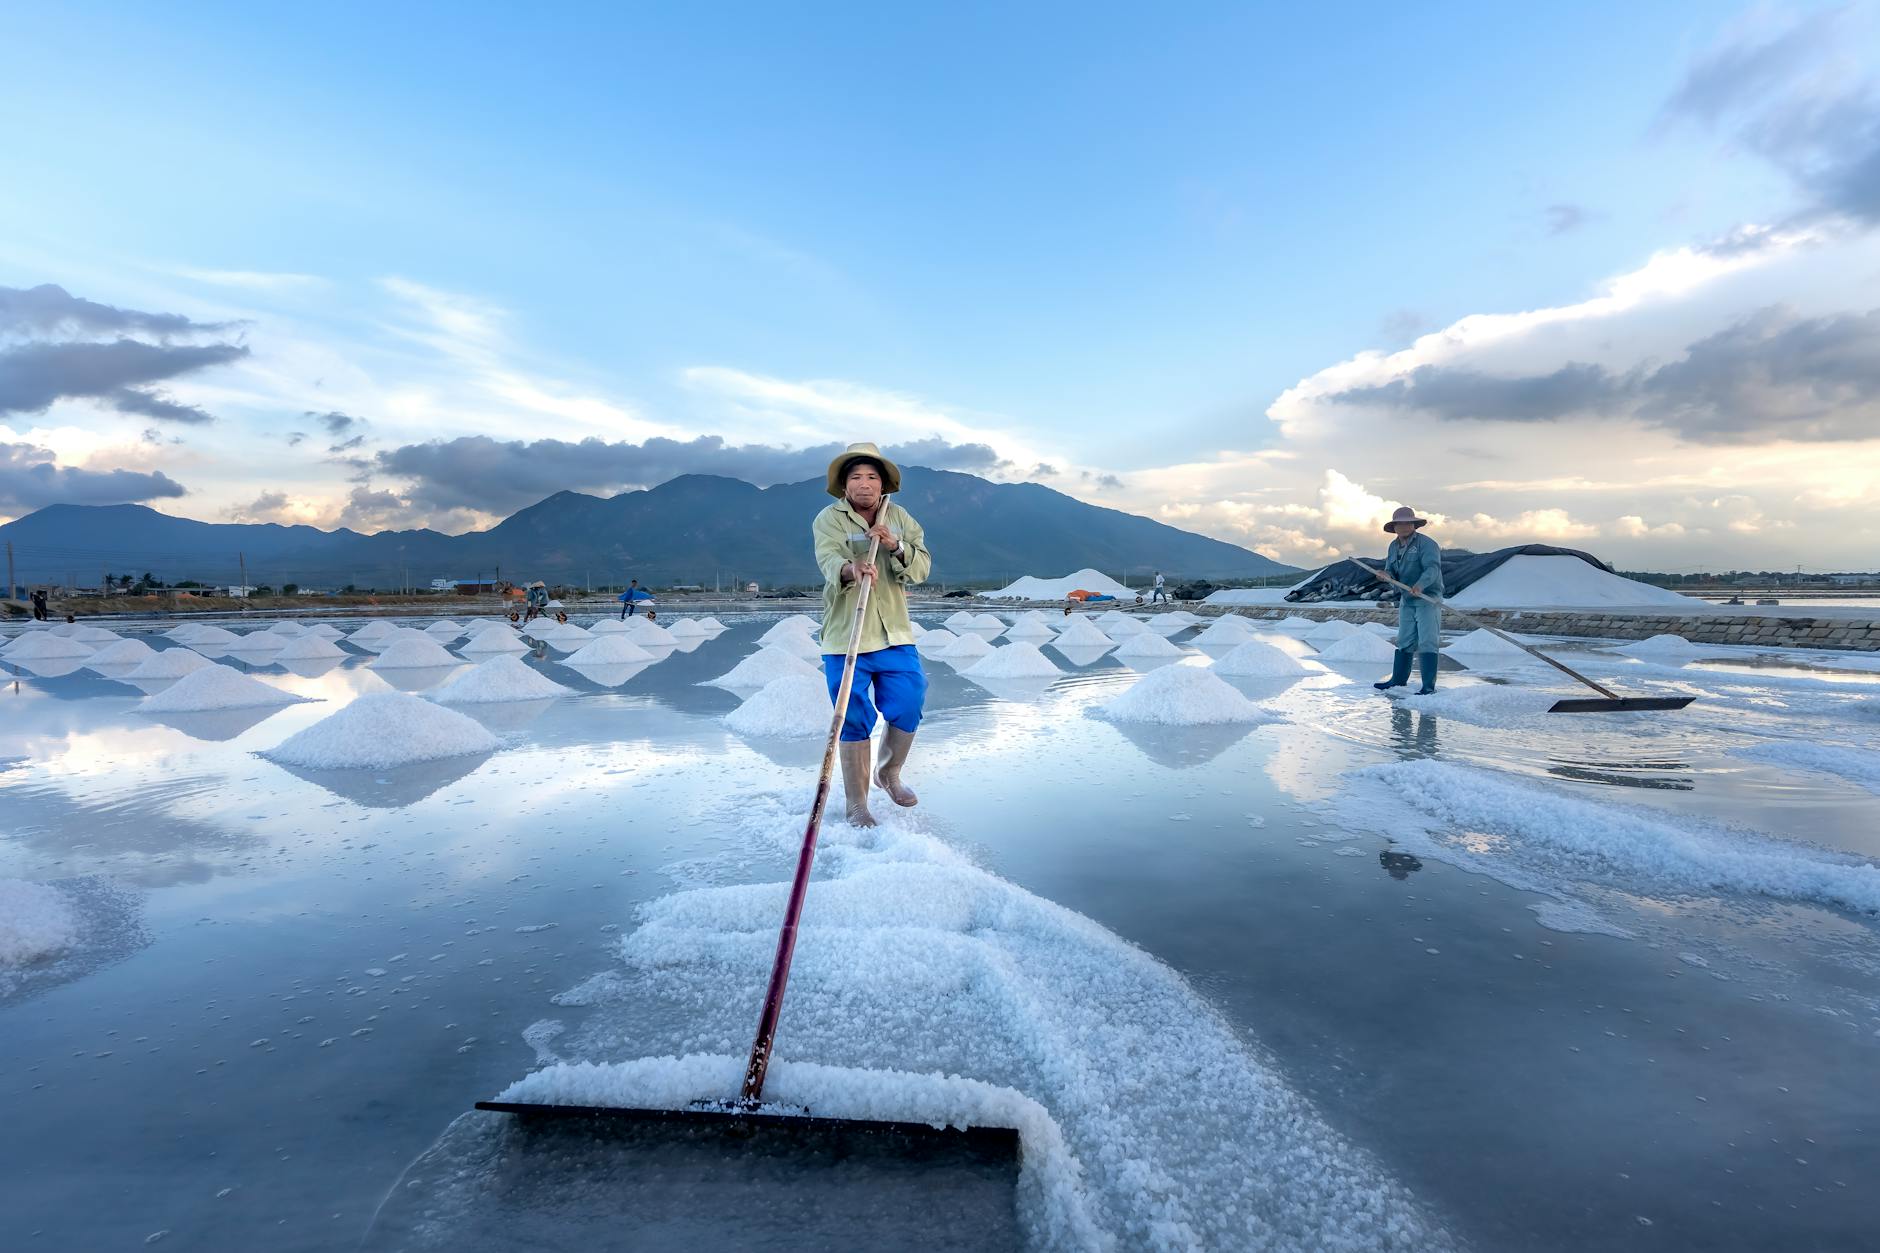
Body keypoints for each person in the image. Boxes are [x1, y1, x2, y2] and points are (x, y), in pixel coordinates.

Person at [814, 442, 931, 827]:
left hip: (894, 632)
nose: (864, 483)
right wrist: (852, 569)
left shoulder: (901, 517)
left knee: (910, 699)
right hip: (846, 635)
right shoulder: (828, 519)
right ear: (844, 485)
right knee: (851, 716)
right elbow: (829, 558)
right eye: (855, 477)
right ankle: (857, 804)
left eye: (871, 476)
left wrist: (896, 546)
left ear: (883, 484)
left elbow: (921, 570)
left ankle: (889, 773)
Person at [1373, 505, 1443, 696]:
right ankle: (1398, 680)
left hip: (1427, 598)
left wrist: (1420, 585)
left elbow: (1432, 569)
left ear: (1413, 525)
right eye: (1399, 524)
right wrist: (1384, 574)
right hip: (1407, 599)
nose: (1403, 527)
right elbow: (1391, 571)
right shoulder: (1393, 546)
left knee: (1427, 641)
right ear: (1394, 527)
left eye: (1407, 523)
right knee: (1404, 639)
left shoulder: (1427, 544)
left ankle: (1428, 686)